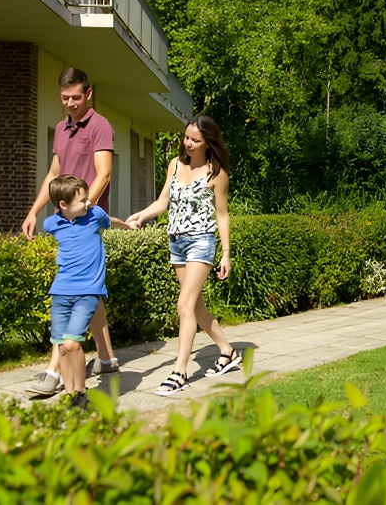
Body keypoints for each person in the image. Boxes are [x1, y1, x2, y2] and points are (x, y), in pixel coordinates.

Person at [24, 67, 120, 397]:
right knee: (88, 290)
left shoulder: (100, 126)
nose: (70, 104)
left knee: (73, 288)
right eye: (65, 98)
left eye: (76, 98)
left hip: (83, 220)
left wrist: (83, 214)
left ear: (88, 94)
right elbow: (54, 174)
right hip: (65, 219)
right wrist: (35, 210)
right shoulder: (61, 129)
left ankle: (54, 371)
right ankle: (106, 359)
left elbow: (103, 174)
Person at [131, 114, 242, 396]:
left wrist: (226, 253)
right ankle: (227, 352)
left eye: (195, 140)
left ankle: (179, 372)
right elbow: (164, 201)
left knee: (184, 306)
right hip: (176, 243)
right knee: (196, 308)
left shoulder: (216, 173)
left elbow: (222, 215)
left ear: (208, 143)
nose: (188, 143)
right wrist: (142, 215)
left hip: (201, 243)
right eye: (186, 137)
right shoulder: (175, 164)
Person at [39, 174, 134, 410]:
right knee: (61, 346)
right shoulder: (52, 224)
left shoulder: (95, 216)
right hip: (60, 291)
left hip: (88, 291)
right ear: (63, 205)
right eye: (82, 200)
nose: (88, 203)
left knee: (72, 344)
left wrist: (127, 226)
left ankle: (81, 393)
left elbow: (110, 220)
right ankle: (70, 396)